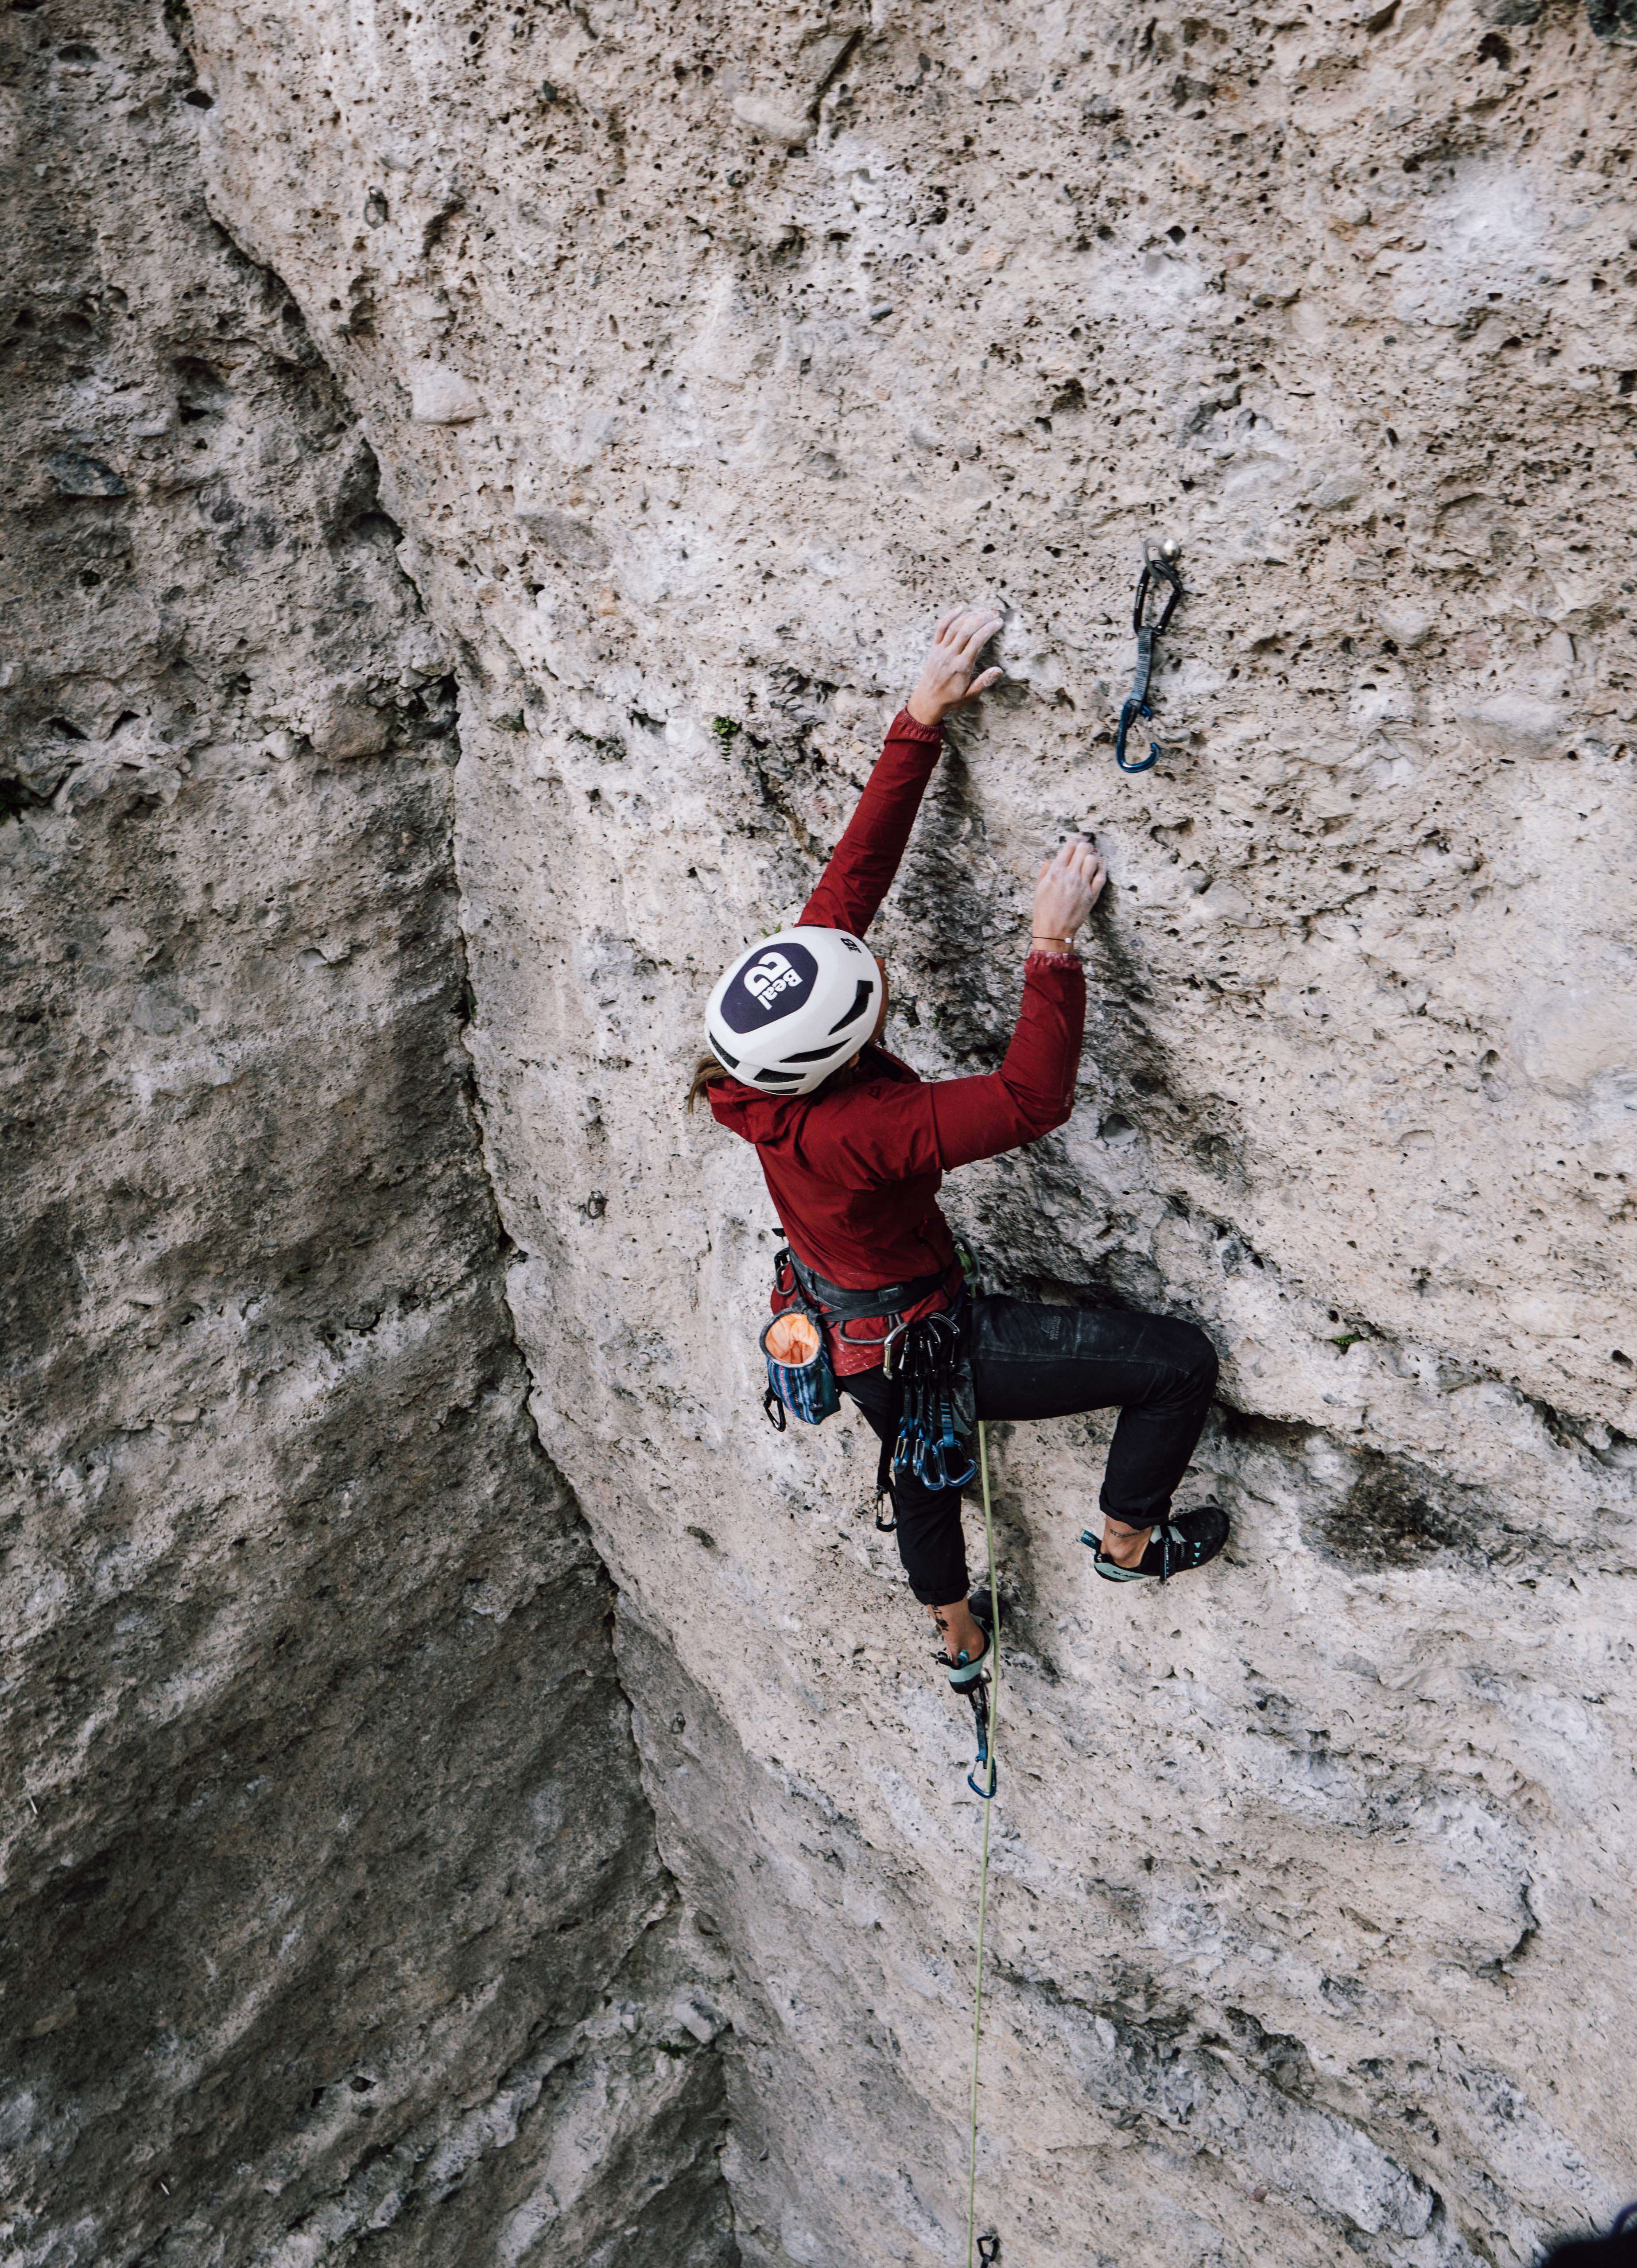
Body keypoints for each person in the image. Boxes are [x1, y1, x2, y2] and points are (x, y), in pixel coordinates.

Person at [690, 606, 1229, 1684]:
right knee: (1178, 1365)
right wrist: (1050, 946)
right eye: (870, 996)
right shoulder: (864, 1128)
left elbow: (849, 887)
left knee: (921, 1469)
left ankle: (956, 1634)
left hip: (844, 1331)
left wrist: (918, 719)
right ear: (848, 1052)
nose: (871, 971)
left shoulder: (760, 1069)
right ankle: (1130, 1540)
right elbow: (1031, 1100)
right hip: (935, 1336)